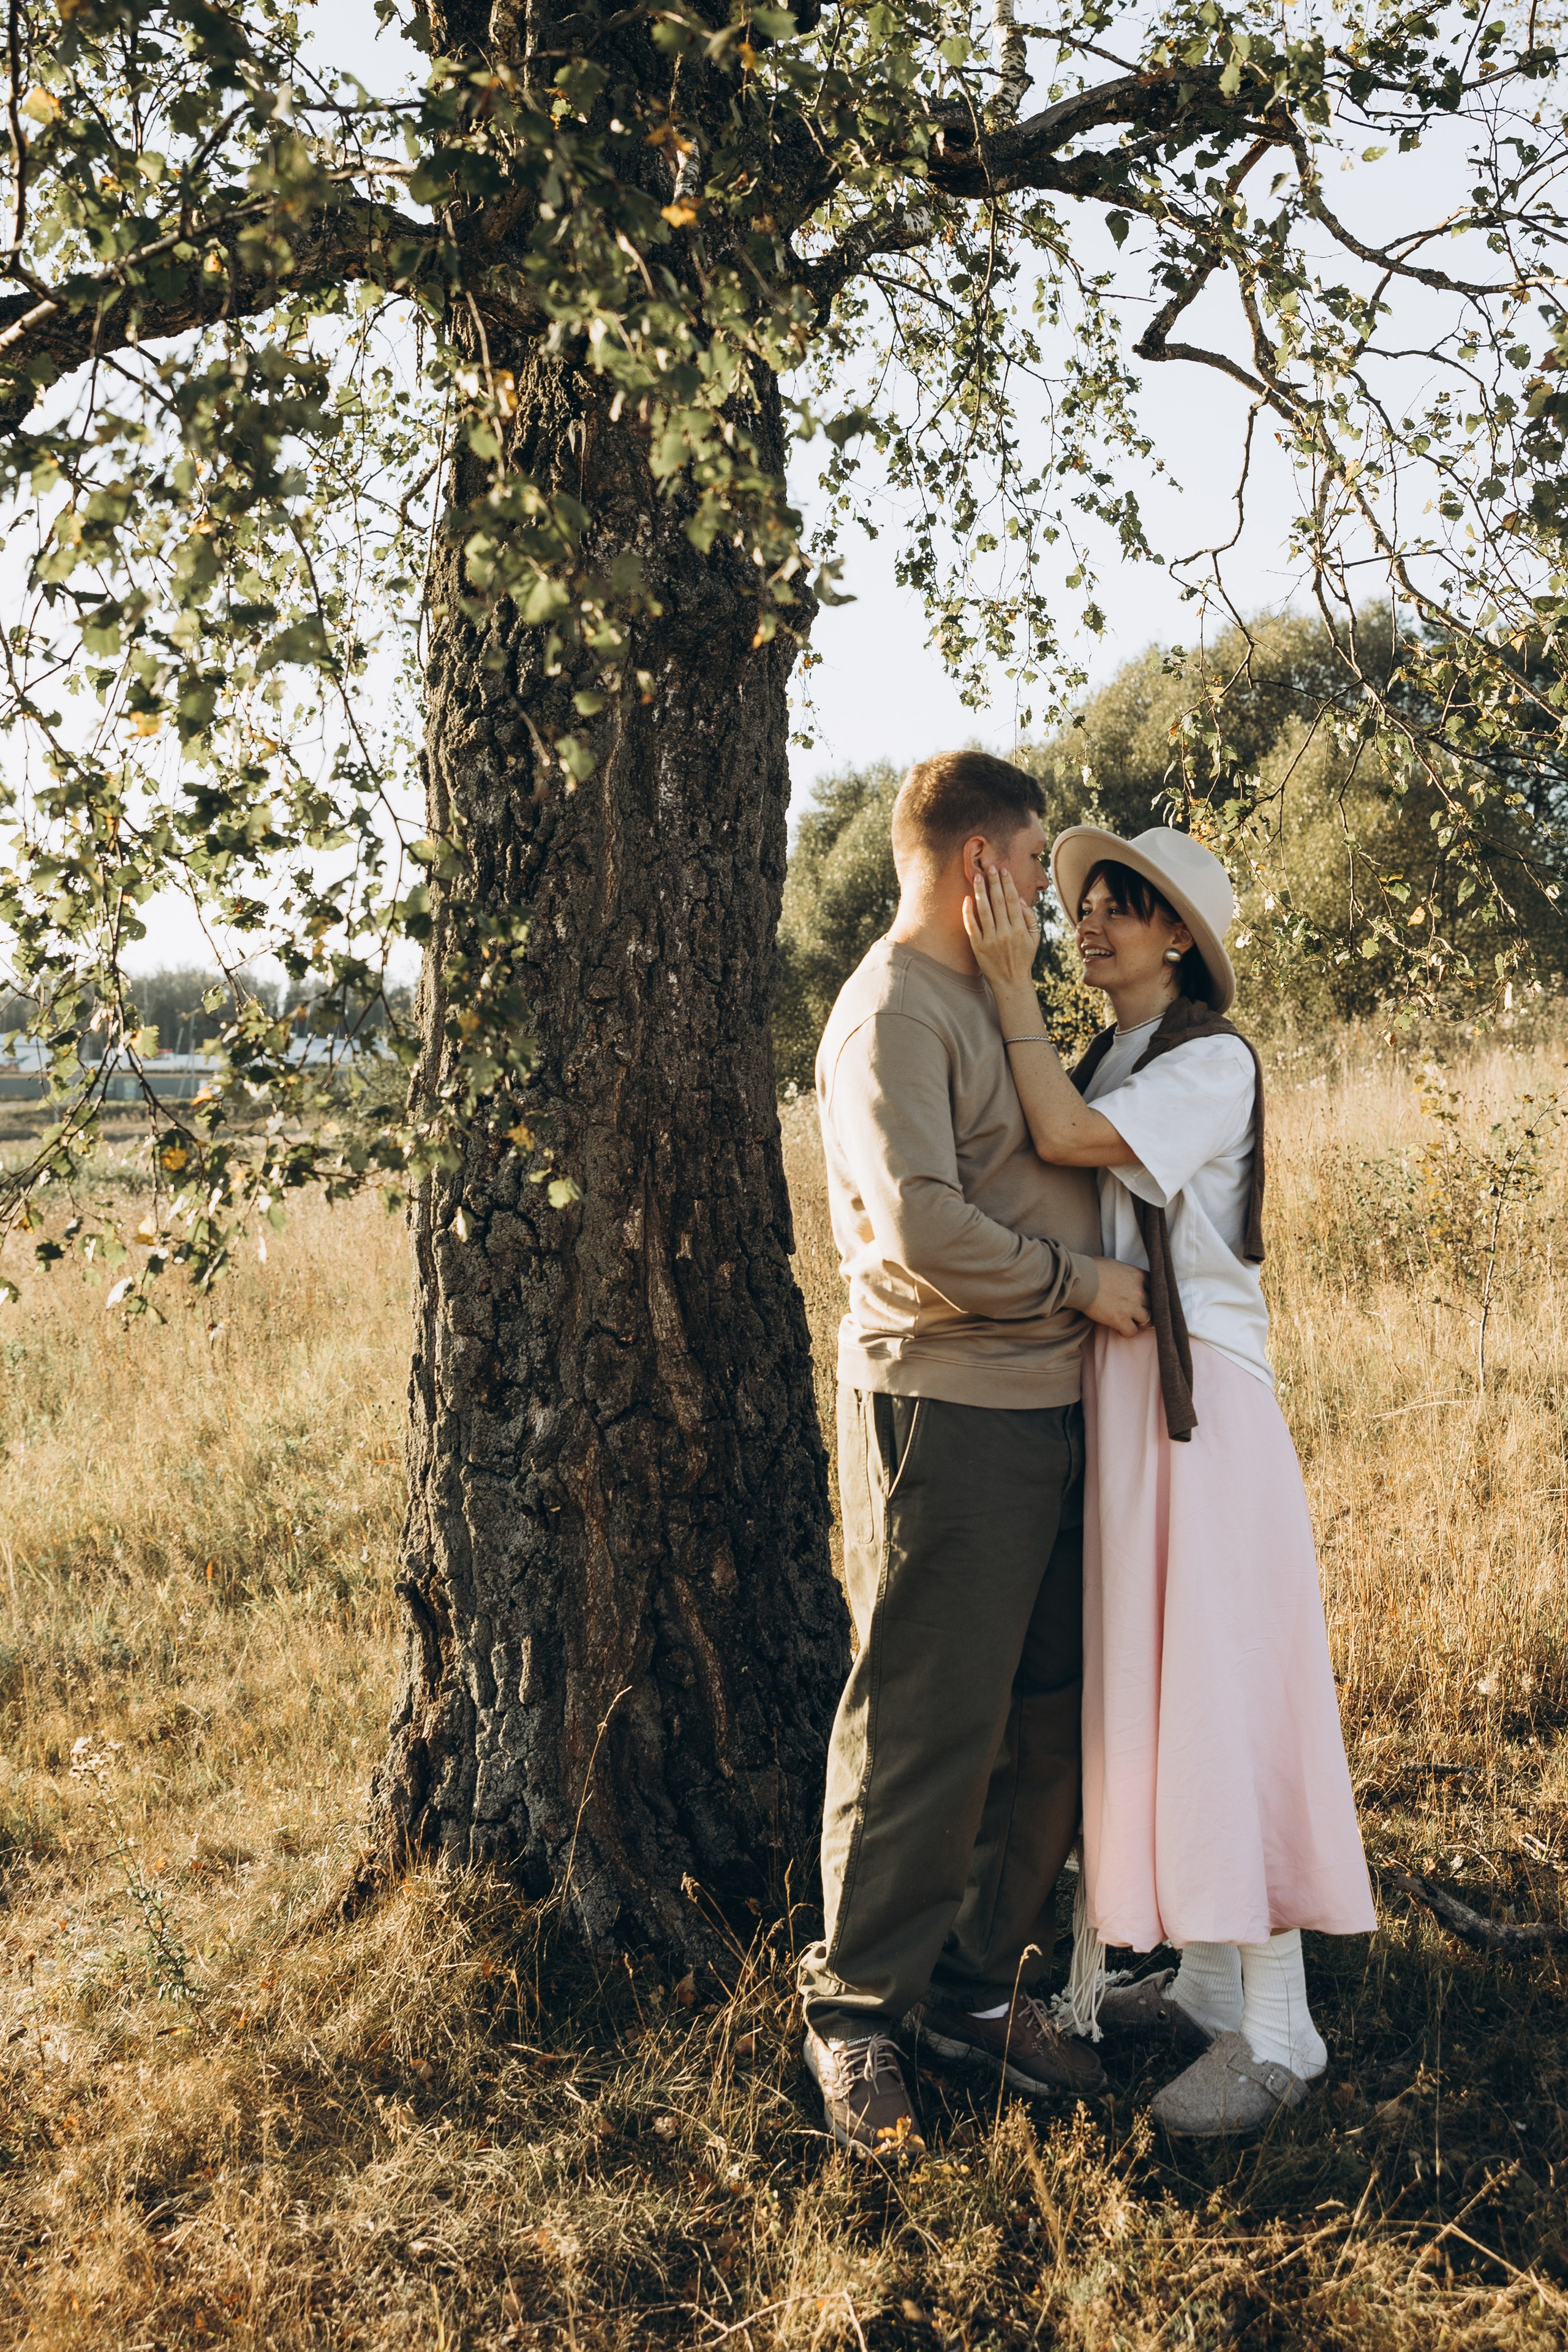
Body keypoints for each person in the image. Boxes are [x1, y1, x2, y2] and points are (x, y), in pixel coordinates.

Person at [965, 823, 1376, 2138]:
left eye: (1119, 906)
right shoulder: (1114, 1053)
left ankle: (1279, 2026)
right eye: (1081, 905)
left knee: (1218, 1681)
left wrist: (1004, 986)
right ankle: (1204, 1976)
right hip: (1130, 1401)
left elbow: (1068, 1138)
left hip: (1202, 1413)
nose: (1088, 924)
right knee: (1157, 1683)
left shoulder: (1208, 1060)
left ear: (1177, 937)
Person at [798, 753, 1153, 2159]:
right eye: (1026, 867)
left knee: (1045, 1715)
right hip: (946, 1408)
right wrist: (1074, 1282)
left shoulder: (985, 1002)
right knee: (924, 1724)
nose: (1050, 905)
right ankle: (856, 2016)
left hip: (1051, 1405)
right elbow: (921, 1230)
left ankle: (968, 1989)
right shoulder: (890, 1010)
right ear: (974, 871)